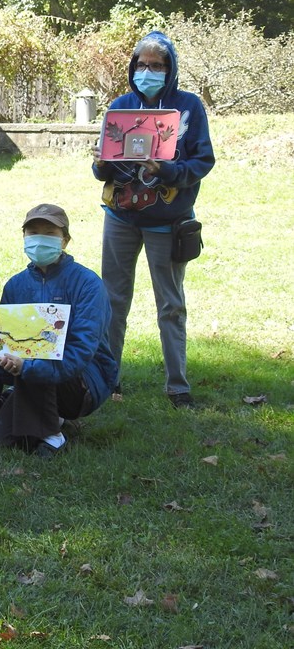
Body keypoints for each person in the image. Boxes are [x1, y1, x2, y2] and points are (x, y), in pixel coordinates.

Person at [91, 31, 214, 408]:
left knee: (171, 304)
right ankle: (108, 380)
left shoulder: (189, 107)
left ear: (170, 69)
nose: (148, 71)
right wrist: (99, 164)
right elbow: (103, 171)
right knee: (112, 301)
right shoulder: (120, 106)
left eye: (156, 65)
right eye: (141, 64)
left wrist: (168, 170)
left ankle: (178, 387)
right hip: (121, 218)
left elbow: (202, 161)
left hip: (169, 221)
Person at [0, 204, 120, 457]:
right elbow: (1, 343)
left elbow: (81, 351)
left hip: (83, 381)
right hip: (24, 374)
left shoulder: (88, 284)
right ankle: (42, 415)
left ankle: (52, 436)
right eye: (33, 232)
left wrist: (26, 368)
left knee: (43, 353)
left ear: (65, 240)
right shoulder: (15, 285)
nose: (39, 239)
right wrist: (3, 364)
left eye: (49, 232)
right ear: (23, 237)